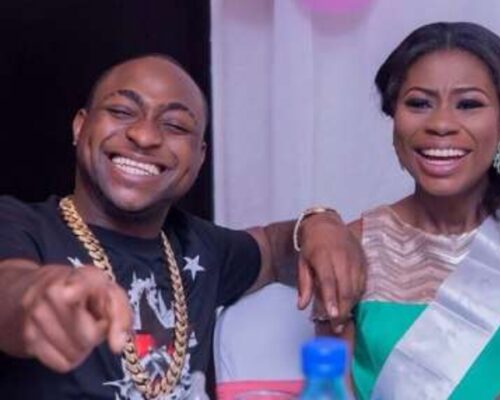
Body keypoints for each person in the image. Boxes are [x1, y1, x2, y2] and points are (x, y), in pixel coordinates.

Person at [0, 54, 365, 399]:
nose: (145, 136)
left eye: (175, 125)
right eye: (122, 111)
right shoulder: (18, 224)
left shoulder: (200, 247)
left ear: (199, 157)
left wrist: (321, 223)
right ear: (80, 126)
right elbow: (11, 288)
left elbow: (273, 245)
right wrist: (39, 298)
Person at [320, 22, 500, 399]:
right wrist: (316, 221)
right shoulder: (352, 247)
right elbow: (326, 391)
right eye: (419, 103)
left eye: (469, 104)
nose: (441, 124)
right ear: (394, 120)